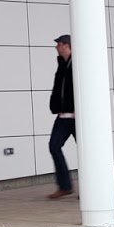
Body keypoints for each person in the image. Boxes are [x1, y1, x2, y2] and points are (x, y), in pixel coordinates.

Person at [46, 34, 76, 199]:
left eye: (58, 44)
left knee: (87, 153)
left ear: (66, 45)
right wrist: (55, 107)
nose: (56, 47)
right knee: (53, 146)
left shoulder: (78, 64)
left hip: (79, 118)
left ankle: (90, 188)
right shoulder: (62, 64)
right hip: (63, 117)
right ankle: (65, 186)